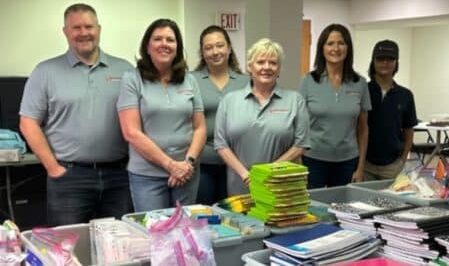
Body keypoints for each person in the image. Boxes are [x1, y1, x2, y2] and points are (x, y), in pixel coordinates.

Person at [19, 3, 133, 226]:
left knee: (118, 250)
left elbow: (138, 120)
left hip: (119, 177)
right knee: (67, 250)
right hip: (69, 178)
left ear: (99, 29)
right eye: (76, 27)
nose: (84, 33)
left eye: (89, 26)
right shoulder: (45, 72)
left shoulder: (126, 70)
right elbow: (28, 122)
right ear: (65, 32)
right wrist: (53, 167)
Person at [117, 19, 206, 211]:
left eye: (170, 40)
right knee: (154, 234)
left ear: (177, 47)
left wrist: (187, 163)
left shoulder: (190, 80)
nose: (164, 44)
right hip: (147, 176)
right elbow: (131, 132)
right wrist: (170, 165)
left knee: (184, 232)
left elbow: (200, 127)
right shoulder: (132, 80)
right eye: (158, 39)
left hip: (187, 173)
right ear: (147, 47)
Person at [214, 38, 310, 195]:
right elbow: (220, 144)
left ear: (279, 69)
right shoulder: (229, 101)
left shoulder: (295, 100)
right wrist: (247, 176)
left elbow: (301, 144)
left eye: (273, 63)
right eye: (260, 62)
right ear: (249, 66)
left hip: (282, 186)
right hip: (240, 185)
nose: (267, 67)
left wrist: (267, 173)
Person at [299, 23, 371, 188]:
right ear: (322, 48)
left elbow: (363, 128)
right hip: (313, 160)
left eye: (341, 43)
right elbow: (298, 125)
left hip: (347, 162)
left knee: (343, 211)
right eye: (330, 43)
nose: (336, 48)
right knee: (313, 210)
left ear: (348, 48)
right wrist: (299, 163)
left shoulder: (359, 83)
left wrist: (360, 167)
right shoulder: (308, 81)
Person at [191, 25, 249, 204]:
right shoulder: (190, 80)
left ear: (229, 48)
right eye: (208, 48)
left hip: (237, 164)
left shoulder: (245, 81)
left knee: (234, 216)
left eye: (220, 45)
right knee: (204, 215)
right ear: (202, 52)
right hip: (203, 163)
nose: (215, 52)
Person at [364, 40, 417, 180]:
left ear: (396, 63)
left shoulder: (405, 95)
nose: (385, 63)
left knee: (391, 202)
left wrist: (402, 160)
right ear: (373, 62)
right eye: (380, 58)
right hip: (365, 165)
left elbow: (409, 132)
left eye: (390, 59)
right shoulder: (363, 90)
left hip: (392, 166)